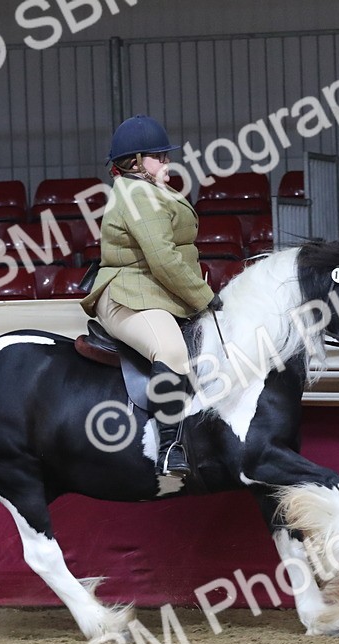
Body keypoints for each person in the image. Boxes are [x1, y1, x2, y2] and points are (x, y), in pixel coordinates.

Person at [80, 115, 222, 479]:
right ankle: (168, 447)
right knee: (171, 351)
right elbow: (162, 258)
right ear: (136, 161)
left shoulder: (151, 189)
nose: (167, 161)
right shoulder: (138, 194)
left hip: (153, 290)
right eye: (159, 156)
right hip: (128, 294)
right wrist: (204, 297)